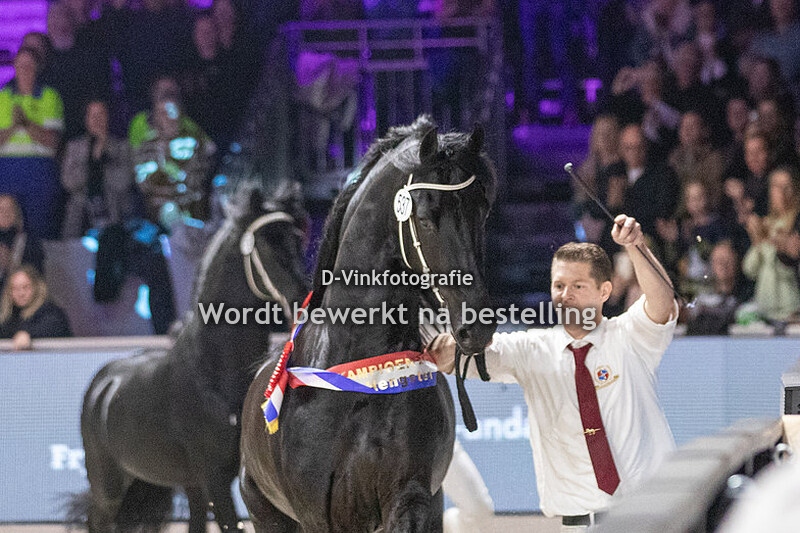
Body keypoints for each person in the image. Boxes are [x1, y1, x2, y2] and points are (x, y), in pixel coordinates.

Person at [427, 214, 678, 531]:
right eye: (558, 285)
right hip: (576, 524)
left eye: (578, 285)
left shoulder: (631, 335)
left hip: (646, 517)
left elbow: (662, 301)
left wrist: (636, 246)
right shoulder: (530, 349)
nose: (565, 294)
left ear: (604, 291)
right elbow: (456, 357)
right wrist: (451, 343)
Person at [0, 46, 64, 240]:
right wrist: (13, 126)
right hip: (8, 171)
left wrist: (26, 123)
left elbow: (53, 142)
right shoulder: (3, 98)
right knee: (6, 230)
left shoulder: (49, 97)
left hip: (39, 172)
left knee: (38, 232)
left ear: (37, 68)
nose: (25, 71)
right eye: (21, 66)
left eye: (29, 66)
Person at [61, 100, 135, 238]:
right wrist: (92, 160)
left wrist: (105, 156)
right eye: (92, 115)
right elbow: (68, 182)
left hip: (115, 216)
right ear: (86, 119)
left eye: (101, 114)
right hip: (81, 219)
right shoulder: (74, 148)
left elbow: (123, 182)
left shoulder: (122, 147)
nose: (97, 120)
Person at [742, 166, 800, 322]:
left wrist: (779, 245)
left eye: (786, 187)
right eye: (776, 186)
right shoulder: (765, 224)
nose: (781, 192)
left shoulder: (796, 225)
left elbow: (788, 272)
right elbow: (750, 269)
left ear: (795, 190)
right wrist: (757, 242)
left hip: (791, 312)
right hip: (764, 311)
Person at [0, 265, 71, 350]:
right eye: (15, 288)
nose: (21, 293)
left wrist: (28, 334)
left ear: (36, 287)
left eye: (25, 287)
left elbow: (52, 328)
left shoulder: (51, 312)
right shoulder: (9, 316)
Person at [0, 195, 43, 292]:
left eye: (9, 209)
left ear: (17, 213)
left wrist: (10, 263)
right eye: (1, 209)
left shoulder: (30, 243)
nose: (5, 214)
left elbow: (37, 277)